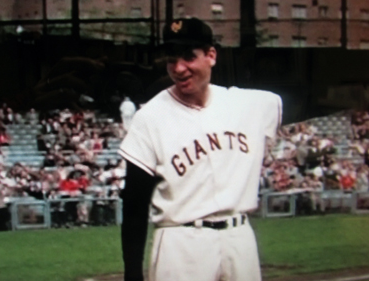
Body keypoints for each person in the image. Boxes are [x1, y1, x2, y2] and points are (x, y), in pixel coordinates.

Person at [118, 18, 282, 281]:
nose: (179, 68)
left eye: (188, 57)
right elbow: (134, 205)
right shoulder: (150, 117)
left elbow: (293, 105)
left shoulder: (248, 104)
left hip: (239, 238)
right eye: (172, 59)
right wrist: (132, 273)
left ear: (211, 55)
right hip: (181, 242)